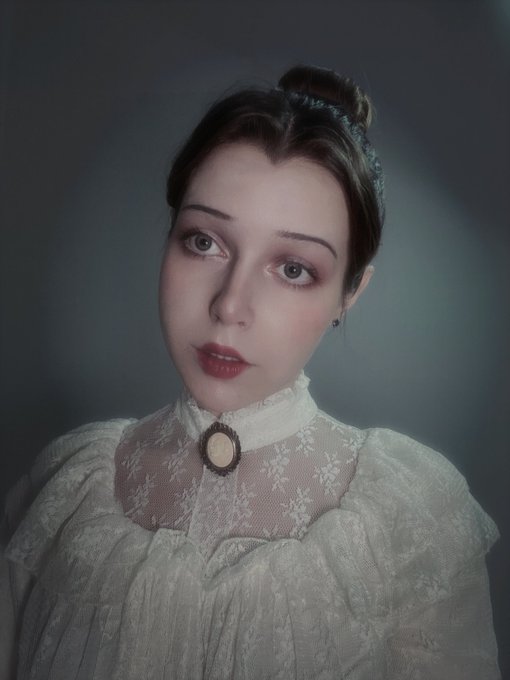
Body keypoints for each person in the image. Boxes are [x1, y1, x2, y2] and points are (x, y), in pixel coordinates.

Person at [0, 65, 500, 679]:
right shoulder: (65, 491)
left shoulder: (412, 519)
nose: (230, 305)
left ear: (350, 293)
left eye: (293, 269)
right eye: (204, 241)